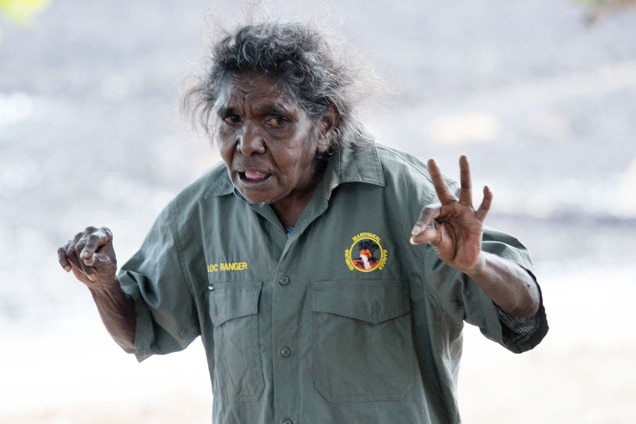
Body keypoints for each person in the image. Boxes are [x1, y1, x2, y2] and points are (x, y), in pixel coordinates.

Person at [58, 20, 548, 424]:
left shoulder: (401, 194)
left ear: (326, 125)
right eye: (231, 119)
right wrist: (102, 285)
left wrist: (478, 264)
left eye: (275, 120)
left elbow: (524, 320)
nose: (247, 142)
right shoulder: (203, 211)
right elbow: (140, 329)